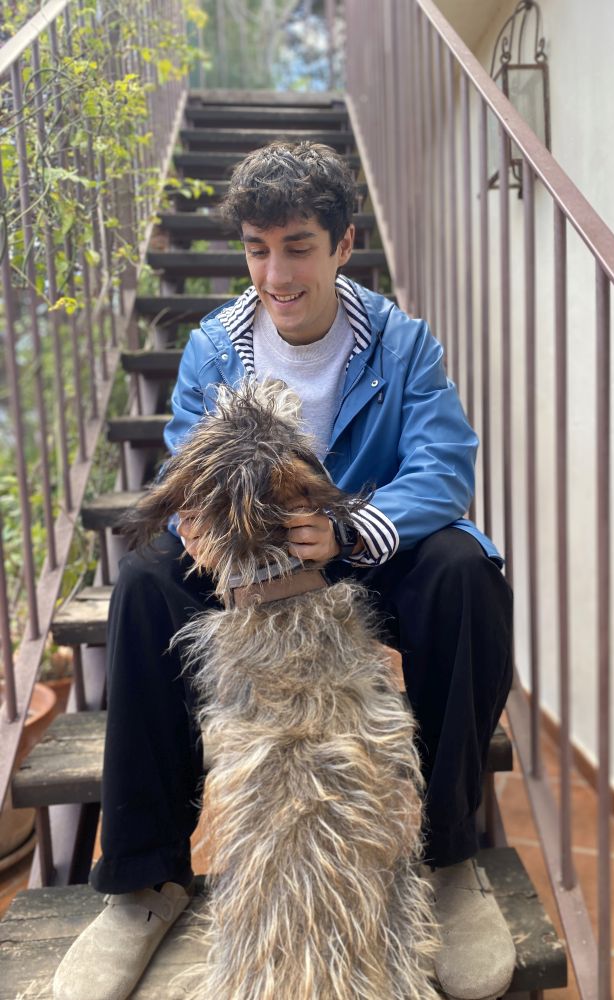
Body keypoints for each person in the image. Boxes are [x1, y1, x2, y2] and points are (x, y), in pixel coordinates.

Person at [53, 141, 515, 1000]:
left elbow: (443, 467)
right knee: (147, 583)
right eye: (258, 249)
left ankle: (450, 858)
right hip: (254, 552)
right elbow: (182, 463)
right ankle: (144, 880)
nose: (276, 274)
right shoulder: (214, 345)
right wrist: (200, 525)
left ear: (343, 246)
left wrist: (348, 532)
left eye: (298, 247)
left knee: (465, 574)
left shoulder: (403, 344)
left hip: (365, 548)